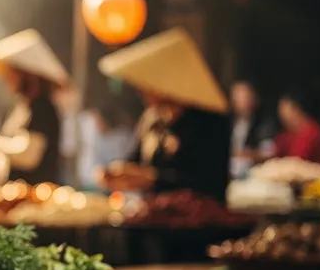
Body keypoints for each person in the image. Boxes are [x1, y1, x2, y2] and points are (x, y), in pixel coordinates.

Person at [98, 27, 231, 201]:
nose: (141, 90)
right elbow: (135, 160)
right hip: (152, 215)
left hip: (197, 221)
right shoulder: (153, 118)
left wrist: (151, 179)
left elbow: (208, 181)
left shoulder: (210, 122)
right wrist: (118, 173)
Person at [0, 29, 67, 185]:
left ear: (26, 75)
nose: (6, 79)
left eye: (11, 73)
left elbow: (29, 156)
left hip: (36, 198)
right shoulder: (23, 108)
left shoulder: (42, 108)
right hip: (15, 193)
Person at [274, 91, 320, 166]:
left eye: (283, 108)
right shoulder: (288, 133)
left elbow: (297, 161)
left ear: (297, 109)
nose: (280, 113)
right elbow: (275, 151)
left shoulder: (311, 131)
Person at [229, 81, 275, 179]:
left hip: (252, 172)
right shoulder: (230, 120)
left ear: (253, 99)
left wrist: (248, 153)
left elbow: (268, 153)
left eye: (244, 97)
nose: (240, 101)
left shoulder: (263, 123)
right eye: (237, 97)